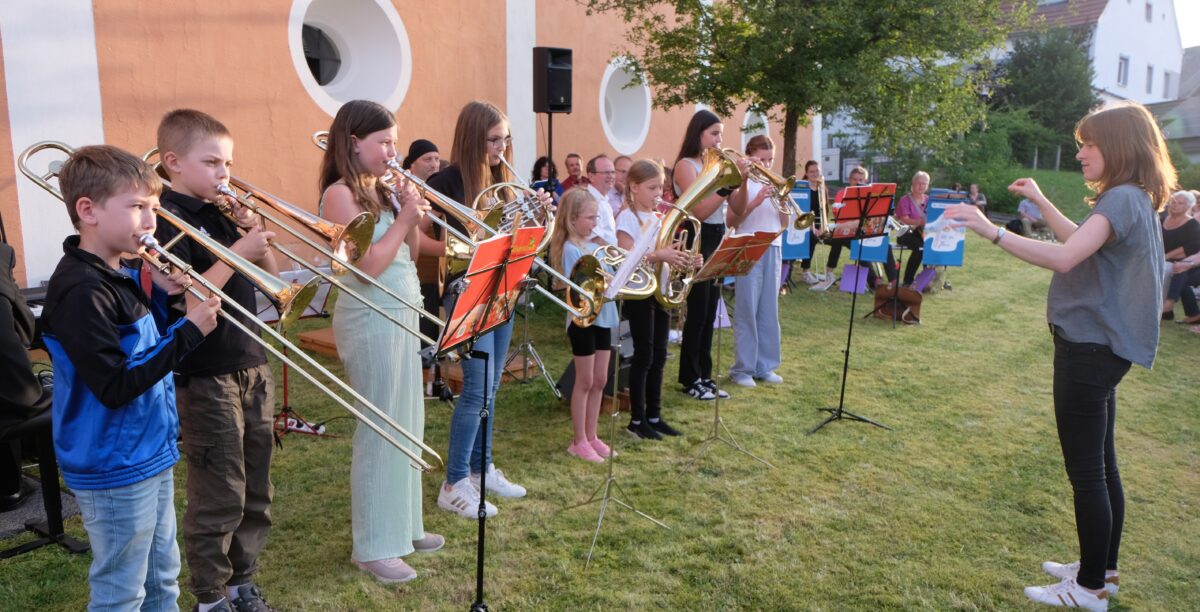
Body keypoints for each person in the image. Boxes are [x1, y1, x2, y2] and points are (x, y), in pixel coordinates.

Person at [944, 101, 1175, 611]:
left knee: (1088, 473)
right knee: (1104, 466)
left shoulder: (1121, 198)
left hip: (1088, 350)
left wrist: (990, 229)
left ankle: (1089, 588)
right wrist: (1042, 199)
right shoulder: (1133, 198)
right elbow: (1080, 240)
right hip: (1103, 350)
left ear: (1117, 146)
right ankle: (1102, 570)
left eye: (1089, 143)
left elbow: (1066, 257)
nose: (1082, 152)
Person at [42, 145, 219, 611]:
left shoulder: (119, 271)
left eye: (154, 208)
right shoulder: (81, 289)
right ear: (88, 211)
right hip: (113, 463)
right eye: (137, 207)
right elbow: (115, 385)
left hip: (148, 450)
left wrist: (170, 301)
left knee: (162, 576)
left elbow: (143, 343)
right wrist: (189, 333)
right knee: (122, 590)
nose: (150, 221)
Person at [153, 109, 279, 612]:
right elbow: (192, 293)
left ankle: (241, 581)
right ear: (173, 163)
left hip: (251, 357)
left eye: (227, 163)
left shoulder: (225, 211)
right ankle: (209, 595)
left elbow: (271, 272)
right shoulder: (162, 219)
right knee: (219, 489)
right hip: (205, 371)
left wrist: (256, 235)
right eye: (212, 163)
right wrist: (239, 251)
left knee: (256, 486)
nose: (225, 174)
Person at [318, 100, 443, 583]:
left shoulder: (378, 189)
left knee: (408, 422)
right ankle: (371, 546)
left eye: (394, 140)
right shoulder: (339, 195)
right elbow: (366, 267)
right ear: (354, 143)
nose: (394, 151)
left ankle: (404, 527)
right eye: (385, 142)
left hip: (402, 306)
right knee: (381, 427)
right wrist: (406, 217)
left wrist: (409, 213)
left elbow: (408, 254)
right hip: (369, 315)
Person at [427, 101, 549, 518]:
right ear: (472, 138)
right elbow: (435, 241)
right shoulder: (445, 181)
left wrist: (537, 216)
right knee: (475, 389)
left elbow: (520, 240)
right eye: (493, 140)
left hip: (503, 288)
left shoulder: (504, 180)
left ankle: (481, 468)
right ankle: (454, 480)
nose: (501, 148)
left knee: (492, 387)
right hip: (468, 290)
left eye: (505, 139)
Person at [616, 160, 696, 440]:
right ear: (634, 187)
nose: (658, 194)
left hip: (660, 290)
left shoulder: (659, 218)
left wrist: (684, 256)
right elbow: (626, 258)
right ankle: (636, 421)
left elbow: (665, 252)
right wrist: (660, 256)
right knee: (644, 355)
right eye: (652, 188)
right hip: (639, 293)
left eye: (660, 188)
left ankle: (654, 415)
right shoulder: (627, 218)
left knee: (660, 355)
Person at [673, 110, 748, 401]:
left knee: (710, 312)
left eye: (721, 134)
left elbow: (737, 212)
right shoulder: (686, 165)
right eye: (714, 134)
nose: (720, 140)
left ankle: (704, 374)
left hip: (717, 235)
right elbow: (699, 210)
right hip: (696, 236)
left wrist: (741, 182)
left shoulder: (716, 166)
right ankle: (690, 377)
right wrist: (726, 184)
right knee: (697, 310)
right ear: (699, 134)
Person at [549, 189, 618, 460]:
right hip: (583, 320)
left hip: (604, 317)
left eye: (596, 217)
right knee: (585, 380)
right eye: (590, 218)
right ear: (573, 219)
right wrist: (606, 280)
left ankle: (592, 435)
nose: (594, 223)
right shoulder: (571, 249)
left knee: (600, 379)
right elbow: (579, 287)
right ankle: (578, 440)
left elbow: (610, 273)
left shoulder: (594, 245)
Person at [725, 135, 786, 388]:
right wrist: (755, 200)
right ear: (749, 156)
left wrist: (781, 199)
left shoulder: (776, 182)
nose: (766, 164)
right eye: (761, 159)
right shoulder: (742, 182)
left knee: (768, 310)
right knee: (747, 310)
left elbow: (784, 223)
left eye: (770, 159)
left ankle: (766, 366)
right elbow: (732, 220)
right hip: (748, 246)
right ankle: (743, 369)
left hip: (772, 246)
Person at [811, 165, 869, 292]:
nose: (857, 182)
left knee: (857, 246)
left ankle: (862, 277)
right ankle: (830, 274)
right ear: (849, 180)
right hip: (841, 228)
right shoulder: (842, 193)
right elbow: (837, 212)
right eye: (854, 179)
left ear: (865, 181)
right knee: (838, 239)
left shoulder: (867, 196)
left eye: (860, 179)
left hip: (857, 232)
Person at [1160, 190, 1200, 323]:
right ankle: (1169, 310)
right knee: (1174, 270)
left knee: (1174, 268)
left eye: (1180, 203)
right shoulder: (1162, 218)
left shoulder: (1192, 224)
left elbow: (1191, 248)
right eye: (1173, 202)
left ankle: (1168, 304)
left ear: (1188, 206)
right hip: (1163, 258)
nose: (1175, 205)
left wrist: (1167, 256)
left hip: (1185, 261)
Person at [795, 160, 828, 285]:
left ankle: (829, 272)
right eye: (812, 172)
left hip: (819, 225)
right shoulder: (802, 188)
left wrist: (822, 228)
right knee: (812, 238)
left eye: (817, 171)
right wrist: (813, 229)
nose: (815, 174)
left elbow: (824, 210)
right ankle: (805, 271)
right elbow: (802, 212)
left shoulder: (822, 187)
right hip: (805, 225)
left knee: (836, 239)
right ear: (807, 173)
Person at [895, 170, 931, 287]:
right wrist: (921, 222)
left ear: (927, 185)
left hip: (924, 233)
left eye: (924, 184)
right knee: (920, 248)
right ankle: (908, 280)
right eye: (918, 183)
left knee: (932, 246)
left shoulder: (929, 200)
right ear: (913, 183)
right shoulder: (905, 200)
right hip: (906, 233)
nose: (921, 186)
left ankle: (929, 279)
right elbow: (904, 219)